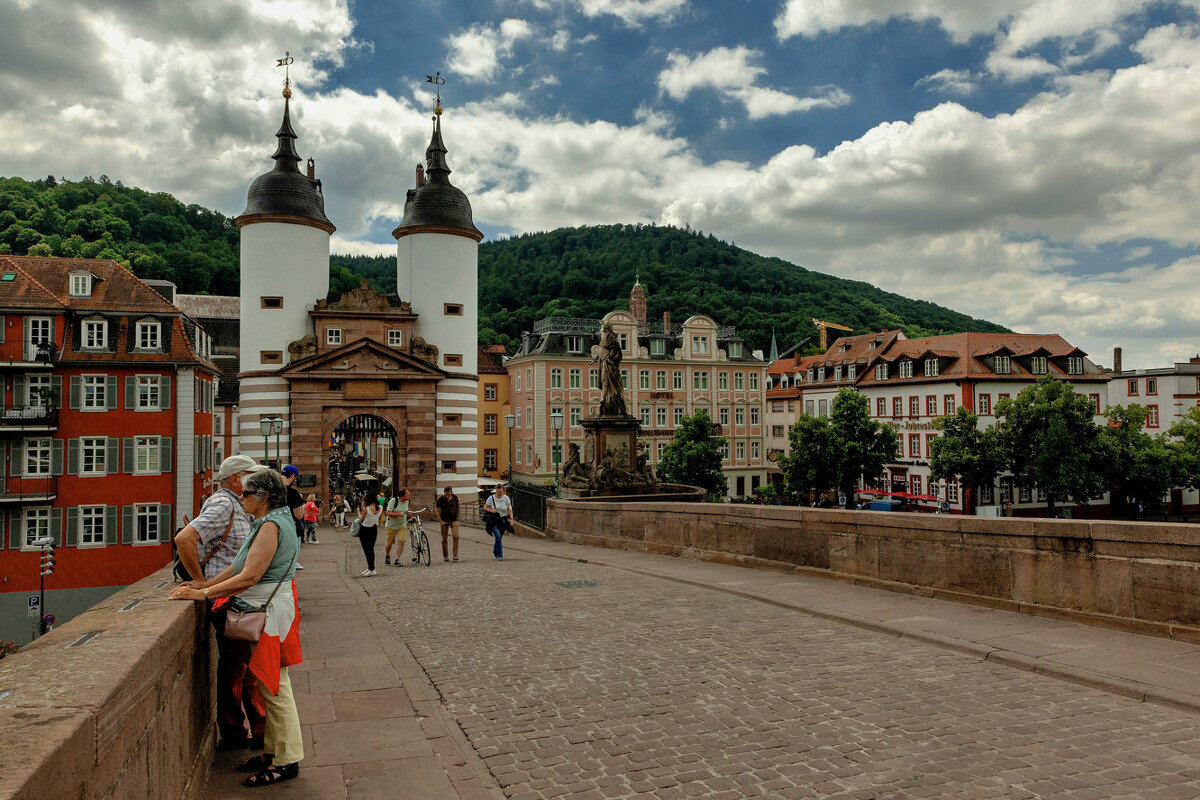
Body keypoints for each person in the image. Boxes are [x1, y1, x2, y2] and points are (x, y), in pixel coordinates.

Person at [170, 468, 302, 787]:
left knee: (275, 686)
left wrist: (203, 592)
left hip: (266, 613)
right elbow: (238, 566)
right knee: (270, 684)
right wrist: (203, 584)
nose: (241, 498)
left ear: (264, 497)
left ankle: (287, 761)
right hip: (270, 610)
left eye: (246, 494)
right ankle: (273, 751)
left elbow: (249, 577)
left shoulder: (270, 525)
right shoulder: (273, 520)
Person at [173, 455, 267, 752]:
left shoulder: (235, 503)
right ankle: (250, 732)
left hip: (232, 597)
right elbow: (184, 538)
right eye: (251, 475)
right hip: (228, 600)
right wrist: (202, 582)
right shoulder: (224, 503)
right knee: (245, 668)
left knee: (236, 667)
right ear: (237, 479)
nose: (256, 481)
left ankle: (236, 731)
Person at [280, 465, 306, 570]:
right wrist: (303, 506)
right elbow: (299, 515)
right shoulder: (293, 493)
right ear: (293, 476)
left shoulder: (273, 491)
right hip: (291, 529)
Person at [484, 485, 513, 561]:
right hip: (494, 520)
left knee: (499, 538)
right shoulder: (491, 498)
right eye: (498, 492)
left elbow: (509, 509)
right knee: (498, 536)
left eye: (501, 492)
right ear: (496, 490)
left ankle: (495, 551)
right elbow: (485, 507)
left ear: (503, 491)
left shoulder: (506, 498)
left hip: (503, 520)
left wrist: (511, 519)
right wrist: (491, 510)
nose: (499, 493)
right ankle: (500, 555)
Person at [356, 494, 383, 576]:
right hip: (374, 529)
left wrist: (358, 511)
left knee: (367, 550)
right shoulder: (380, 507)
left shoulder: (366, 509)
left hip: (365, 529)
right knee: (371, 549)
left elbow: (361, 518)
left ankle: (372, 569)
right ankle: (370, 567)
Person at [384, 488, 409, 566]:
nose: (409, 495)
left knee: (402, 541)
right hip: (391, 526)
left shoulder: (407, 502)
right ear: (402, 496)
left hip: (401, 525)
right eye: (408, 494)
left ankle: (397, 559)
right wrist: (398, 514)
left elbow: (406, 511)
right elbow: (387, 513)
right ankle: (387, 555)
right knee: (389, 544)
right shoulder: (393, 501)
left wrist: (412, 516)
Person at [435, 486, 460, 562]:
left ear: (451, 492)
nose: (447, 496)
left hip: (454, 520)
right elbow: (437, 510)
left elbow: (458, 507)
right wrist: (440, 520)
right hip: (444, 521)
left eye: (449, 494)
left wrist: (457, 515)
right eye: (446, 494)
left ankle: (455, 555)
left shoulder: (455, 497)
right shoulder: (441, 499)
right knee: (444, 539)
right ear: (444, 493)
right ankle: (445, 556)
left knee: (456, 536)